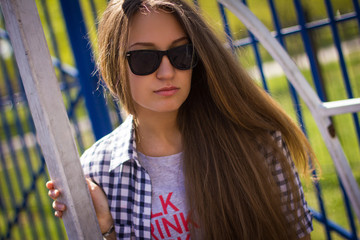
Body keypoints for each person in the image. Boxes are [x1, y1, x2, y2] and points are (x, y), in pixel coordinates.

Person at [46, 0, 316, 239]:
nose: (167, 72)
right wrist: (105, 229)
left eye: (180, 54)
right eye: (144, 58)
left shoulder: (258, 142)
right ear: (112, 65)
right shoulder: (97, 172)